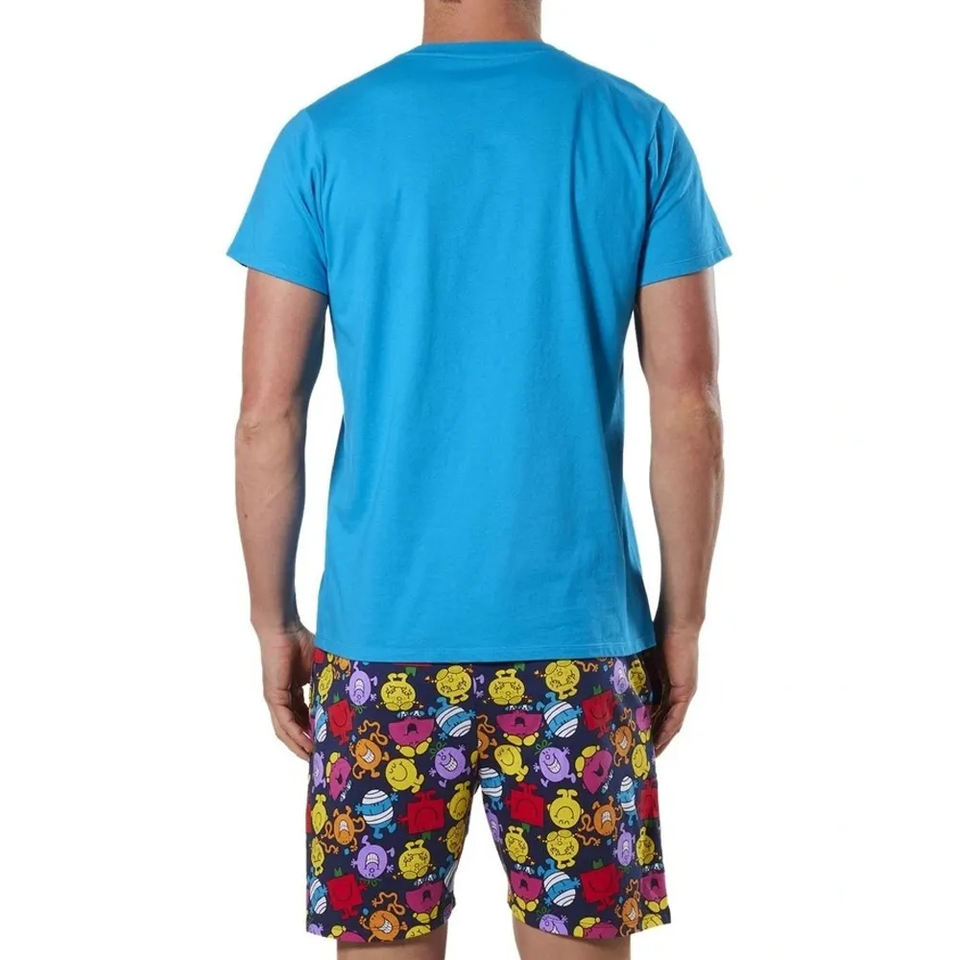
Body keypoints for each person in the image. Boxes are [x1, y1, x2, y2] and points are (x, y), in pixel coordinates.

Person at [229, 1, 727, 955]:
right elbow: (688, 406)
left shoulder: (323, 138)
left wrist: (272, 620)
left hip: (381, 652)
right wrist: (684, 621)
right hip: (579, 649)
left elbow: (266, 417)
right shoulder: (636, 130)